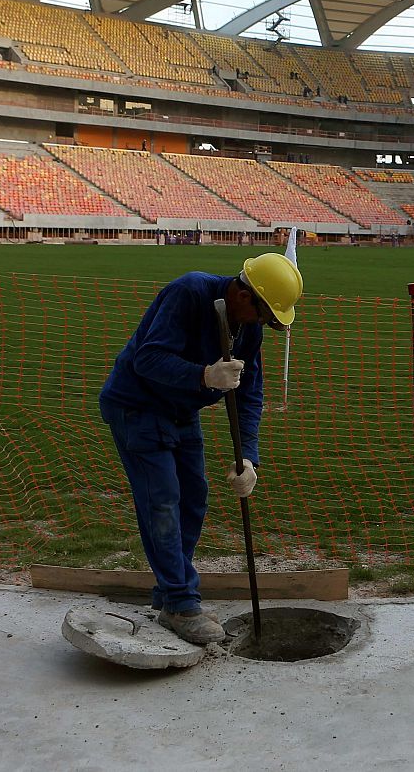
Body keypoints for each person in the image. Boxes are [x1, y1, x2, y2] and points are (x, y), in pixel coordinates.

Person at [99, 252, 303, 645]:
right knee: (161, 500)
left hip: (180, 410)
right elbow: (148, 358)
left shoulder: (248, 329)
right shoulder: (188, 292)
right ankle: (180, 602)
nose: (262, 322)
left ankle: (167, 593)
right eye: (262, 313)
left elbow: (250, 394)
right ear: (244, 296)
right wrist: (205, 375)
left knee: (194, 500)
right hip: (137, 407)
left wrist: (248, 456)